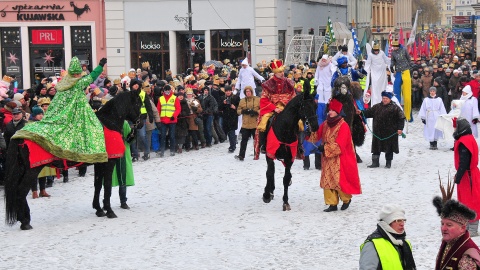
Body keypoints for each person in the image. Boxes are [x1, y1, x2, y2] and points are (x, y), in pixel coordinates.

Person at [12, 57, 109, 163]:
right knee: (94, 127)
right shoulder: (77, 83)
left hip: (59, 115)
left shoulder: (63, 83)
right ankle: (87, 153)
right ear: (76, 73)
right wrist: (100, 66)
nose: (78, 76)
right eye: (78, 74)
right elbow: (92, 76)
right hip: (76, 113)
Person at [317, 98, 361, 212]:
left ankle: (346, 199)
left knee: (339, 181)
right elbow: (317, 134)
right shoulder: (326, 123)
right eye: (329, 110)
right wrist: (310, 133)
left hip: (339, 158)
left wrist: (325, 148)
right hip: (327, 158)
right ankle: (332, 204)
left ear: (338, 112)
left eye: (332, 110)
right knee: (327, 180)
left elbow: (340, 145)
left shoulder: (343, 125)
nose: (330, 112)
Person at [255, 59, 296, 159]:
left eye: (282, 71)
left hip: (287, 108)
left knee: (299, 123)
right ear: (275, 73)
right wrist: (274, 109)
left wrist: (289, 107)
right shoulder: (268, 84)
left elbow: (293, 96)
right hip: (273, 108)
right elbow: (264, 99)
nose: (282, 73)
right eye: (279, 72)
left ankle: (299, 146)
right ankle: (263, 145)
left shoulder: (289, 83)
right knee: (263, 123)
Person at [359, 204, 416, 270]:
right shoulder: (372, 245)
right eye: (398, 220)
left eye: (403, 220)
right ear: (387, 223)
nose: (402, 224)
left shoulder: (405, 243)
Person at [433, 197, 480, 269]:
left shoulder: (467, 257)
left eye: (449, 225)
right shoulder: (448, 242)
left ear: (462, 228)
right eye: (442, 224)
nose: (443, 228)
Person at [362, 91, 405, 168]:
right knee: (376, 147)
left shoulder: (395, 108)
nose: (384, 100)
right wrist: (361, 112)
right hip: (377, 132)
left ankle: (388, 163)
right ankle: (375, 162)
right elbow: (368, 113)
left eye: (386, 98)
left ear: (390, 99)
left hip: (390, 132)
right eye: (383, 98)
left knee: (389, 148)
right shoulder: (377, 107)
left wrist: (400, 128)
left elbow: (401, 118)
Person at [453, 118, 480, 237]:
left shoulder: (464, 142)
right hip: (472, 174)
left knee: (470, 202)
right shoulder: (469, 138)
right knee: (470, 200)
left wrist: (458, 177)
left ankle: (472, 229)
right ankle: (468, 226)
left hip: (467, 177)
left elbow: (464, 162)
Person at [112, 121, 135, 210]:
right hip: (110, 153)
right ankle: (106, 201)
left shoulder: (123, 123)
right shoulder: (106, 122)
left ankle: (123, 201)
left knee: (122, 176)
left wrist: (133, 132)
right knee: (108, 178)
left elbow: (129, 139)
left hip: (122, 153)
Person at [235, 86, 260, 161]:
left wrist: (256, 112)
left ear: (252, 92)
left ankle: (256, 154)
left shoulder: (257, 99)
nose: (248, 93)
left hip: (255, 123)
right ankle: (241, 155)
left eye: (249, 91)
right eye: (246, 91)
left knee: (256, 140)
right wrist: (243, 111)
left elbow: (262, 109)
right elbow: (238, 110)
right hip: (245, 124)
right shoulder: (242, 101)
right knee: (244, 140)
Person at [390, 40, 412, 121]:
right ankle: (397, 112)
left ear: (398, 46)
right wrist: (391, 66)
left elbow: (409, 59)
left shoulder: (404, 50)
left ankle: (408, 115)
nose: (394, 48)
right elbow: (392, 60)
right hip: (398, 72)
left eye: (396, 46)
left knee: (407, 95)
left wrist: (411, 68)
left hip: (406, 71)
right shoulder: (393, 53)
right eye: (393, 46)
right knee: (396, 91)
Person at [157, 84, 181, 157]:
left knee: (172, 136)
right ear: (163, 91)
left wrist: (174, 116)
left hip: (172, 120)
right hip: (163, 120)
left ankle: (172, 150)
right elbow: (158, 109)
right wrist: (158, 118)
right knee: (163, 136)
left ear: (170, 90)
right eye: (166, 90)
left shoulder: (174, 98)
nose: (167, 92)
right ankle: (162, 151)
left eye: (168, 90)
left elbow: (178, 108)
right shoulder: (160, 98)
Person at [314, 55, 334, 121]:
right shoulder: (319, 65)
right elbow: (317, 73)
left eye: (325, 60)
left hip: (328, 84)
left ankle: (327, 112)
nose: (323, 61)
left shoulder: (330, 65)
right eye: (323, 59)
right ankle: (320, 113)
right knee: (320, 98)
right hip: (320, 84)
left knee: (327, 98)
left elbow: (333, 72)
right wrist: (316, 80)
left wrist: (332, 81)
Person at [220, 86, 240, 153]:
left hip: (233, 117)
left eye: (229, 91)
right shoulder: (223, 98)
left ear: (231, 91)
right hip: (225, 117)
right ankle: (232, 145)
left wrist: (235, 107)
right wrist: (223, 103)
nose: (228, 92)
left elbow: (240, 107)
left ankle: (232, 146)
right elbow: (219, 108)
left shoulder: (236, 97)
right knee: (228, 132)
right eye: (226, 91)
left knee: (232, 132)